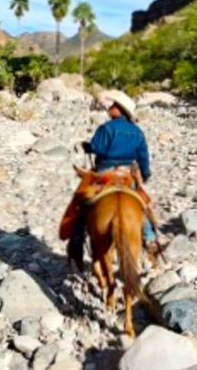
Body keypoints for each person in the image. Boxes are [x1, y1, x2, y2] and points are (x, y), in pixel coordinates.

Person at [59, 90, 157, 268]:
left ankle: (76, 242)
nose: (109, 108)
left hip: (105, 171)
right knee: (142, 204)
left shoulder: (106, 128)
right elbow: (143, 156)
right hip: (127, 172)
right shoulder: (137, 131)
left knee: (82, 204)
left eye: (112, 106)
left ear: (119, 110)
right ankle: (150, 238)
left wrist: (86, 146)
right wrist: (146, 173)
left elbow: (98, 148)